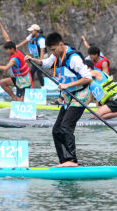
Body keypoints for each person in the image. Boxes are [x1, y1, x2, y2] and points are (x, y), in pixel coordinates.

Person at [29, 32, 92, 166]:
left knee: (66, 126)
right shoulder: (56, 55)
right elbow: (45, 63)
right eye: (50, 50)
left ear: (61, 45)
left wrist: (67, 85)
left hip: (81, 94)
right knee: (56, 130)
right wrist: (33, 60)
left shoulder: (73, 58)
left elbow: (88, 78)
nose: (52, 53)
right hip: (69, 96)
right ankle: (64, 160)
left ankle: (72, 161)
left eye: (53, 50)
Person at [0, 20, 45, 88]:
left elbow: (42, 50)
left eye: (32, 31)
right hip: (35, 57)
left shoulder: (41, 39)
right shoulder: (31, 36)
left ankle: (42, 87)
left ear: (36, 31)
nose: (31, 32)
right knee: (32, 71)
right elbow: (22, 41)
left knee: (39, 72)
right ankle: (31, 87)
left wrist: (41, 61)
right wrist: (17, 46)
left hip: (41, 57)